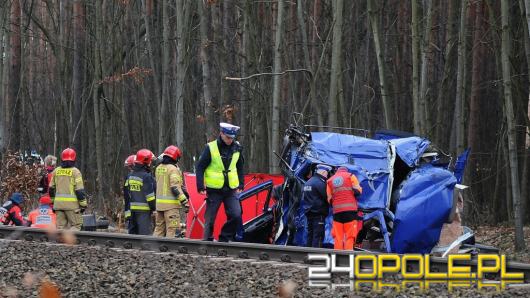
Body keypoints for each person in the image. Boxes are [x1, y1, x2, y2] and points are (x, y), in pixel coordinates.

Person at [195, 122, 244, 242]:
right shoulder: (210, 147)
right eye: (228, 137)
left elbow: (240, 167)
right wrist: (200, 185)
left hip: (231, 189)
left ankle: (225, 238)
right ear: (221, 133)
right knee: (210, 219)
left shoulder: (237, 147)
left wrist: (241, 183)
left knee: (236, 215)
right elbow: (200, 167)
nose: (230, 140)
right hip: (214, 189)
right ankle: (207, 241)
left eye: (232, 138)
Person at [154, 145, 187, 238]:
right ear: (175, 157)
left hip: (159, 205)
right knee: (172, 229)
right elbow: (175, 188)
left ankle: (153, 248)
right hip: (171, 206)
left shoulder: (158, 168)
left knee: (159, 229)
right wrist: (185, 201)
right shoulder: (173, 169)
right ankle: (169, 251)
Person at [49, 148, 87, 230]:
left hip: (58, 206)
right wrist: (83, 204)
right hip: (72, 206)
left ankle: (60, 242)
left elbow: (51, 189)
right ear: (74, 159)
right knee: (76, 226)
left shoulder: (56, 171)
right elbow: (79, 191)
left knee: (60, 228)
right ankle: (70, 241)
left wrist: (53, 202)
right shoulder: (75, 172)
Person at [327, 166, 363, 250]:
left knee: (338, 236)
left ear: (337, 171)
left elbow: (329, 199)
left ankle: (337, 256)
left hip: (337, 212)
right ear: (346, 170)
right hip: (350, 211)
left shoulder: (329, 181)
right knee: (350, 236)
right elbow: (358, 191)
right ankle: (347, 256)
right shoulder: (350, 176)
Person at [125, 149, 156, 235]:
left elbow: (128, 195)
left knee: (133, 236)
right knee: (145, 237)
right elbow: (150, 196)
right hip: (144, 212)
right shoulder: (146, 176)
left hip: (133, 211)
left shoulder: (130, 175)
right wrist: (153, 208)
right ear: (146, 161)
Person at [303, 164, 331, 248]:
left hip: (309, 212)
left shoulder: (308, 182)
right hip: (318, 214)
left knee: (310, 235)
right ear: (323, 172)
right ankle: (315, 257)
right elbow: (327, 196)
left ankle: (308, 255)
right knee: (318, 236)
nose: (327, 175)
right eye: (326, 173)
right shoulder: (320, 183)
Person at [122, 154, 136, 228]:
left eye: (130, 167)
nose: (129, 169)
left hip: (132, 211)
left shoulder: (129, 177)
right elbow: (127, 196)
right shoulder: (145, 175)